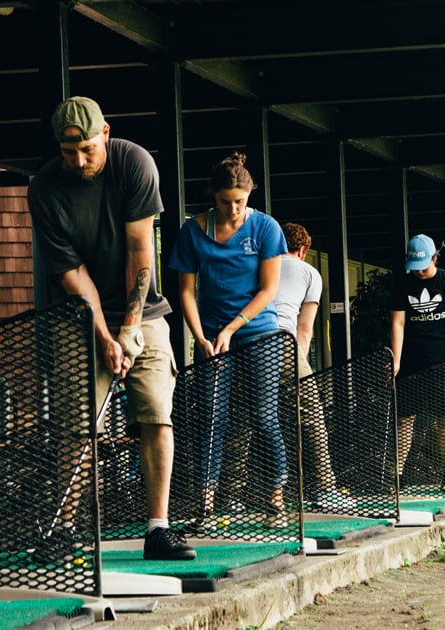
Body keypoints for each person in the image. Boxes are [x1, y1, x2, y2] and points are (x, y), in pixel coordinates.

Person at [27, 96, 194, 560]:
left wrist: (128, 330)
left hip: (145, 310)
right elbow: (72, 275)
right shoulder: (43, 188)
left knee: (156, 413)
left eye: (87, 150)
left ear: (105, 133)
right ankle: (65, 529)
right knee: (76, 427)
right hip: (77, 315)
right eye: (67, 153)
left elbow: (141, 250)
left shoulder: (133, 163)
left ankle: (158, 529)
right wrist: (103, 335)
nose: (78, 161)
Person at [168, 152, 289, 528]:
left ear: (249, 195)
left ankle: (276, 500)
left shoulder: (266, 228)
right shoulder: (193, 230)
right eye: (225, 202)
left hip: (258, 331)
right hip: (209, 336)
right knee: (210, 418)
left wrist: (231, 329)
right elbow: (185, 292)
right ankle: (205, 507)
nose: (233, 208)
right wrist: (200, 337)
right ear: (213, 198)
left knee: (263, 415)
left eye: (240, 201)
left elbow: (269, 290)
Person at [275, 222, 355, 511]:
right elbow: (304, 331)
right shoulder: (309, 272)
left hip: (246, 342)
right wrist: (299, 370)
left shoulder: (258, 264)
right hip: (282, 343)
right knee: (311, 415)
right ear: (303, 249)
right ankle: (324, 489)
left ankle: (233, 496)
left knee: (246, 420)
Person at [390, 234, 445, 489]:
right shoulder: (403, 284)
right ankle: (398, 476)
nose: (420, 272)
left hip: (443, 362)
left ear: (435, 258)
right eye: (415, 266)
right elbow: (398, 323)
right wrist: (396, 360)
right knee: (404, 419)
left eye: (424, 265)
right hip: (411, 363)